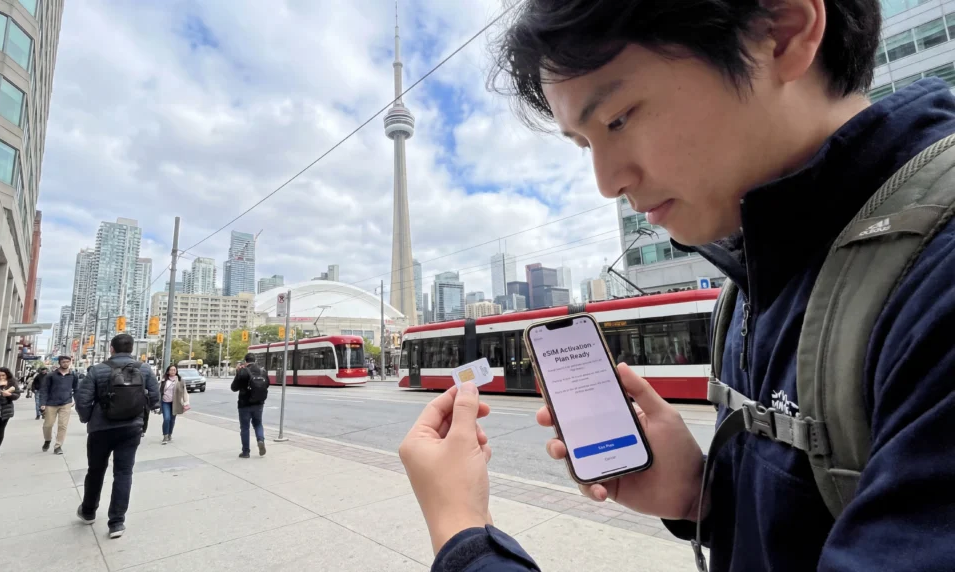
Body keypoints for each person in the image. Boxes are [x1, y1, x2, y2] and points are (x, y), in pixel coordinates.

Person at [401, 1, 955, 570]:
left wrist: (462, 532)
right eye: (586, 144)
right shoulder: (752, 284)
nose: (607, 181)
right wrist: (703, 497)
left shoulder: (936, 279)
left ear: (783, 31)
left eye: (618, 118)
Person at [75, 334, 159, 539]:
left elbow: (82, 399)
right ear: (132, 350)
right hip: (131, 428)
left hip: (101, 429)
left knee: (95, 471)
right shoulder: (144, 369)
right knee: (123, 473)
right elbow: (155, 398)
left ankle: (88, 511)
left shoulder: (97, 369)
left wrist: (87, 419)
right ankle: (117, 522)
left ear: (111, 349)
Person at [230, 353, 268, 459]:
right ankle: (260, 440)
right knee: (258, 424)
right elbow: (267, 384)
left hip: (244, 404)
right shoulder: (262, 371)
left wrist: (238, 373)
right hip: (259, 403)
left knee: (245, 427)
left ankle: (246, 452)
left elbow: (233, 388)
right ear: (255, 360)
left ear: (245, 361)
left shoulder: (243, 371)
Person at [41, 356, 78, 455]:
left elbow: (76, 389)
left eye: (67, 362)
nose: (65, 363)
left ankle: (58, 446)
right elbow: (44, 390)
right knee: (47, 425)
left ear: (70, 362)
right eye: (63, 362)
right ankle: (47, 440)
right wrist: (42, 403)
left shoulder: (73, 375)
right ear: (59, 363)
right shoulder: (51, 375)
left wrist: (75, 400)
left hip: (66, 403)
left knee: (63, 426)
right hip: (51, 403)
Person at [159, 364, 189, 444]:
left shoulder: (180, 380)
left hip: (175, 403)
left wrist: (186, 402)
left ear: (176, 371)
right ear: (168, 371)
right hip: (165, 402)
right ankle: (165, 436)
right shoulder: (164, 380)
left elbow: (184, 392)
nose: (173, 371)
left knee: (172, 420)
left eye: (174, 370)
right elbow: (160, 391)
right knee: (166, 419)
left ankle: (169, 434)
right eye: (171, 370)